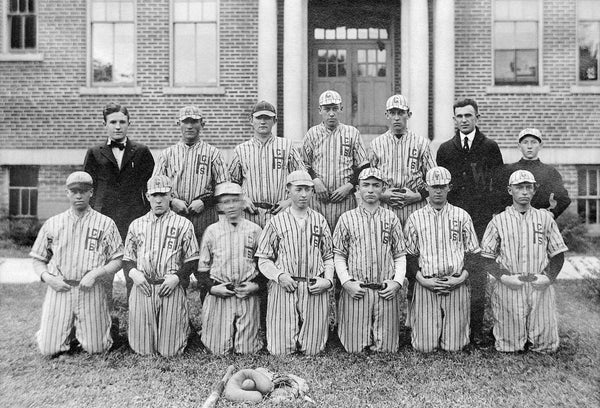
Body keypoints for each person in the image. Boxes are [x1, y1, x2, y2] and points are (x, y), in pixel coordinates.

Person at [29, 171, 123, 356]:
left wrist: (96, 273)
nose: (78, 195)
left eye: (83, 190)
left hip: (90, 288)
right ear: (67, 193)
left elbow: (118, 259)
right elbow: (38, 259)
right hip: (60, 288)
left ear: (91, 193)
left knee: (98, 348)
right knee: (48, 349)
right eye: (74, 191)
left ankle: (107, 326)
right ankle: (62, 330)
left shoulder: (106, 223)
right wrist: (48, 278)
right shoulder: (53, 223)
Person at [436, 98, 504, 345]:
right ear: (454, 119)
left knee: (477, 273)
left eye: (468, 115)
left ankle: (475, 329)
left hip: (480, 220)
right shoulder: (446, 149)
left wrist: (492, 216)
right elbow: (441, 187)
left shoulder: (490, 147)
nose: (464, 120)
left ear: (477, 117)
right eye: (459, 116)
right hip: (452, 220)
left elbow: (497, 185)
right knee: (452, 268)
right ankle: (449, 324)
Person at [481, 170, 567, 353]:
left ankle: (536, 336)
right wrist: (503, 277)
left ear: (534, 190)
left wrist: (549, 278)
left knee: (546, 346)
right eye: (519, 187)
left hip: (538, 283)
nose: (525, 192)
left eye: (529, 187)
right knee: (509, 346)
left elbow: (558, 254)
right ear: (509, 190)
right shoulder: (498, 221)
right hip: (510, 284)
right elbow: (486, 257)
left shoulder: (545, 218)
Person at [256, 171, 334, 355]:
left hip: (314, 285)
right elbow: (264, 259)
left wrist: (328, 281)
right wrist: (279, 276)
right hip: (285, 285)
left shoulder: (320, 220)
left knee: (313, 350)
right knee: (279, 350)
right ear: (288, 191)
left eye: (308, 189)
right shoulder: (276, 221)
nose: (304, 194)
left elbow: (328, 257)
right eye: (298, 189)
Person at [403, 167, 480, 352]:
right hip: (426, 282)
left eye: (442, 186)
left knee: (455, 347)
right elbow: (409, 256)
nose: (438, 191)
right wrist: (421, 280)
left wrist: (460, 279)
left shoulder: (462, 216)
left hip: (456, 282)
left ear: (449, 187)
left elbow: (473, 255)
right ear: (426, 187)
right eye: (434, 186)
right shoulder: (415, 218)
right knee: (424, 347)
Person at [84, 102, 154, 302]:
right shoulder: (95, 153)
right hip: (104, 220)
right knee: (104, 272)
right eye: (112, 122)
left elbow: (150, 187)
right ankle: (106, 322)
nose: (117, 126)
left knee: (135, 271)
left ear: (129, 123)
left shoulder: (141, 152)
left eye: (122, 122)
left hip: (134, 220)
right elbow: (89, 187)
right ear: (105, 124)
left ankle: (137, 320)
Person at [122, 175, 199, 356]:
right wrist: (134, 274)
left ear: (171, 195)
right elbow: (127, 259)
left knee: (170, 351)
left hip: (170, 285)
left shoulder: (183, 224)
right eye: (154, 195)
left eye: (163, 195)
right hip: (144, 286)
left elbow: (192, 260)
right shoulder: (136, 224)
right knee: (143, 350)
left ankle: (182, 328)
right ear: (147, 196)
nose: (158, 200)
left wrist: (178, 277)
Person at [333, 168, 406, 353]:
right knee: (354, 348)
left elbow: (399, 254)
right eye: (366, 185)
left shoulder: (391, 218)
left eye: (376, 185)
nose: (371, 190)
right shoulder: (346, 218)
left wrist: (397, 283)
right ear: (358, 188)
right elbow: (339, 255)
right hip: (357, 289)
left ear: (383, 188)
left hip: (385, 289)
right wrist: (346, 282)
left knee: (388, 348)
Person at [153, 105, 227, 287]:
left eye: (194, 121)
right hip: (175, 217)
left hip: (205, 217)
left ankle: (209, 310)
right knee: (175, 268)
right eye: (186, 121)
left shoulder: (213, 153)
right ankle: (176, 312)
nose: (190, 126)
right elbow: (155, 186)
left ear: (202, 124)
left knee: (207, 269)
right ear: (178, 123)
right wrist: (172, 201)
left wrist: (204, 201)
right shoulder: (167, 154)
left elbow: (224, 186)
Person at [197, 182, 264, 354]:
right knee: (217, 349)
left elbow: (264, 266)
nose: (232, 205)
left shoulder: (255, 230)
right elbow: (202, 270)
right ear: (219, 206)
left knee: (248, 350)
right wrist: (212, 288)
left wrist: (256, 286)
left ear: (243, 202)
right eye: (226, 202)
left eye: (235, 200)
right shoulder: (211, 231)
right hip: (221, 290)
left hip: (246, 291)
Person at [229, 100, 306, 229]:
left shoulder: (287, 146)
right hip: (250, 214)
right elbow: (231, 183)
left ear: (274, 121)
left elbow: (302, 179)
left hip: (279, 212)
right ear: (251, 120)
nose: (263, 122)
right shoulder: (241, 150)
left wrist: (290, 201)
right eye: (259, 117)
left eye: (267, 118)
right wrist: (241, 198)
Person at [302, 90, 369, 230]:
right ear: (320, 110)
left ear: (341, 109)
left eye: (335, 108)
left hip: (344, 199)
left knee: (346, 241)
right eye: (327, 109)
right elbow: (303, 164)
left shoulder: (351, 133)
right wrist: (315, 181)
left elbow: (364, 166)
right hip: (318, 199)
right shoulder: (312, 133)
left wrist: (349, 186)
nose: (331, 113)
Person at [369, 94, 436, 224]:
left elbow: (433, 177)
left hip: (415, 206)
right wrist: (381, 194)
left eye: (401, 113)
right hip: (385, 206)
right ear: (386, 115)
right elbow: (368, 179)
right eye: (392, 113)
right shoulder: (376, 144)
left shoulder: (422, 143)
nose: (396, 118)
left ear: (409, 114)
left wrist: (419, 195)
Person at [494, 128, 571, 219]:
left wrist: (552, 213)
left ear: (540, 145)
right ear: (519, 146)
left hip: (539, 221)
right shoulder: (508, 170)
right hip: (512, 221)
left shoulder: (550, 172)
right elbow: (496, 197)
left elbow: (564, 199)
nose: (529, 146)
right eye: (525, 142)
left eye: (534, 142)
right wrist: (501, 212)